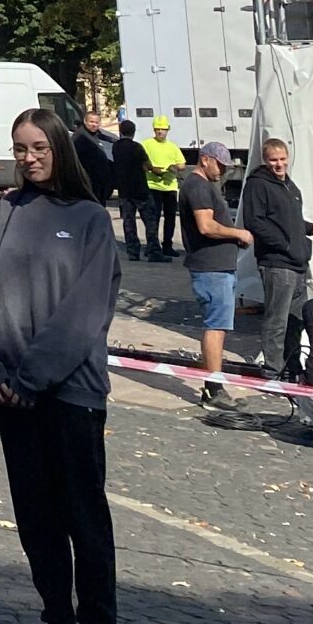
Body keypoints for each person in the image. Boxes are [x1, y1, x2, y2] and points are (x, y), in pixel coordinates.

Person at [0, 108, 122, 624]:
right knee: (36, 519)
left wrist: (33, 378)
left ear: (59, 148)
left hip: (70, 394)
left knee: (83, 516)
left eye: (39, 148)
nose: (29, 158)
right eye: (19, 148)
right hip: (11, 394)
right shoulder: (4, 212)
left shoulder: (89, 220)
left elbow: (84, 313)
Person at [240, 138, 313, 380]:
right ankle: (273, 371)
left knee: (296, 321)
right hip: (277, 263)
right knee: (277, 321)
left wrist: (310, 228)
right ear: (265, 160)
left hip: (298, 264)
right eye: (274, 160)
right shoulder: (258, 185)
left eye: (283, 159)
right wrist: (285, 245)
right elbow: (255, 222)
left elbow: (290, 220)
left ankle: (292, 367)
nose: (279, 164)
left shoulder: (288, 185)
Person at [179, 142, 253, 407]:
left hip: (217, 267)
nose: (223, 171)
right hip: (211, 269)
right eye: (220, 165)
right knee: (216, 326)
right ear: (205, 160)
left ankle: (214, 386)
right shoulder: (197, 186)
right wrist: (238, 233)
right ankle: (213, 389)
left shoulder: (203, 185)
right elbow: (206, 226)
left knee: (219, 326)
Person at [140, 116, 186, 261]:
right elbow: (140, 162)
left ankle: (167, 245)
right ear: (154, 129)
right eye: (157, 129)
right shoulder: (146, 144)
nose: (160, 132)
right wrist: (152, 169)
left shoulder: (172, 146)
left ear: (168, 130)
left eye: (163, 129)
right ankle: (152, 246)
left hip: (169, 187)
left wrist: (175, 167)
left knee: (170, 218)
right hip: (152, 186)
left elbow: (182, 164)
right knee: (153, 218)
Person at [110, 118, 148, 263]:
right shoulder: (137, 147)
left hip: (124, 190)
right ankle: (153, 250)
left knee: (128, 222)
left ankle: (133, 251)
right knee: (149, 221)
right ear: (133, 132)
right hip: (140, 189)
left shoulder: (116, 147)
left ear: (120, 131)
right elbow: (146, 165)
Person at [72, 112, 117, 206]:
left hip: (99, 180)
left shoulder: (95, 134)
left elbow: (106, 139)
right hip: (89, 180)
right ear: (85, 121)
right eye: (91, 122)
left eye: (96, 122)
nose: (94, 125)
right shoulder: (79, 137)